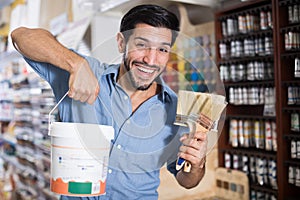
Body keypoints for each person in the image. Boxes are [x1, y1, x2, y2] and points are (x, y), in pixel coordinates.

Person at [11, 4, 207, 200]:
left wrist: (196, 164)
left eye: (162, 49)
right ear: (121, 43)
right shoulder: (85, 73)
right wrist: (75, 64)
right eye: (141, 45)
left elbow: (186, 180)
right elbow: (21, 36)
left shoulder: (176, 109)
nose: (151, 60)